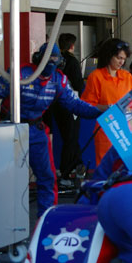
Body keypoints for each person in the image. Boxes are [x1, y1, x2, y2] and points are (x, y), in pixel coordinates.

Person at [0, 43, 103, 217]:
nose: (51, 62)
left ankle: (46, 220)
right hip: (9, 129)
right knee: (3, 179)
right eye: (47, 58)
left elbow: (74, 105)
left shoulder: (58, 80)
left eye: (54, 59)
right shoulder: (20, 73)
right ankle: (1, 222)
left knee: (47, 178)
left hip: (36, 130)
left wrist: (101, 112)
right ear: (38, 59)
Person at [82, 38, 132, 164]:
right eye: (118, 58)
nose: (121, 62)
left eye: (124, 58)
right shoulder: (96, 77)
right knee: (105, 166)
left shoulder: (127, 76)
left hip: (127, 129)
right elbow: (87, 104)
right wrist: (105, 107)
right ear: (109, 56)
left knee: (126, 166)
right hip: (106, 128)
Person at [51, 33, 86, 184]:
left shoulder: (55, 60)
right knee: (71, 138)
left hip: (56, 104)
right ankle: (65, 173)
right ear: (72, 45)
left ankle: (78, 166)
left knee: (69, 137)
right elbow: (79, 84)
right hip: (71, 104)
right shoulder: (72, 61)